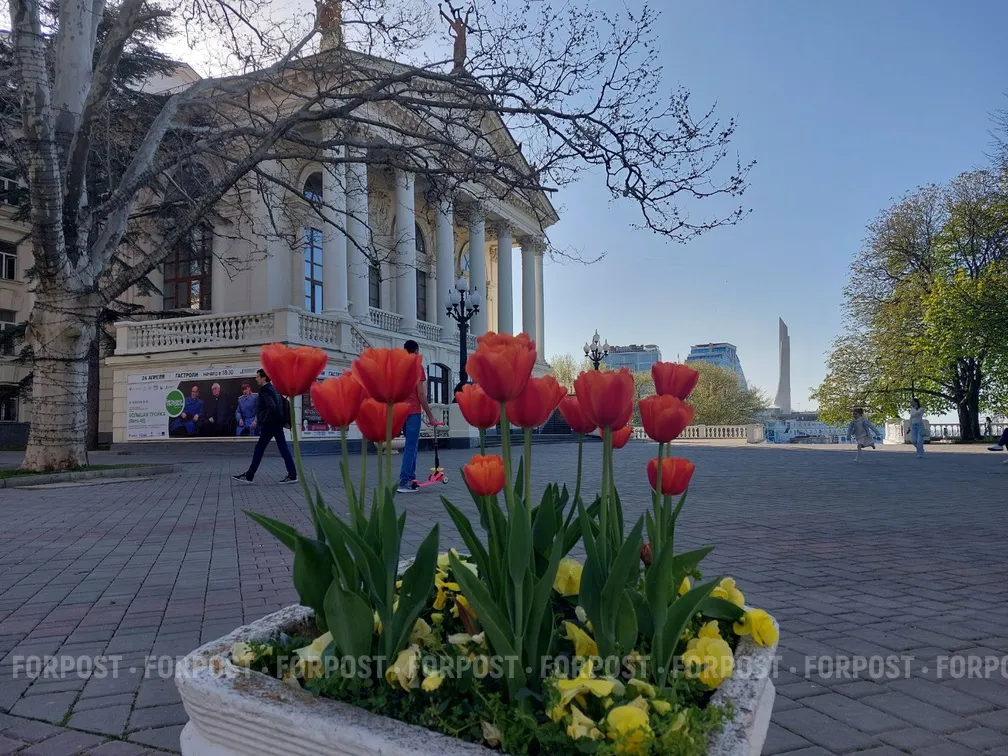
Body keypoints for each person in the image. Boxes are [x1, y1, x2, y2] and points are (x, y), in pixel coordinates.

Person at [233, 369, 297, 484]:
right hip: (277, 424)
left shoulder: (265, 390)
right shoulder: (273, 388)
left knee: (259, 449)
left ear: (264, 378)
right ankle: (292, 474)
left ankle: (249, 476)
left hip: (270, 425)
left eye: (257, 376)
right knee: (283, 449)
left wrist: (263, 421)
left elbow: (271, 407)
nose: (256, 378)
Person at [398, 340, 440, 493]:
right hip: (413, 411)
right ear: (415, 351)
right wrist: (430, 416)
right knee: (411, 446)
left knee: (410, 446)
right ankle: (405, 481)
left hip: (401, 411)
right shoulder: (417, 367)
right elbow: (421, 394)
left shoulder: (399, 368)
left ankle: (411, 478)